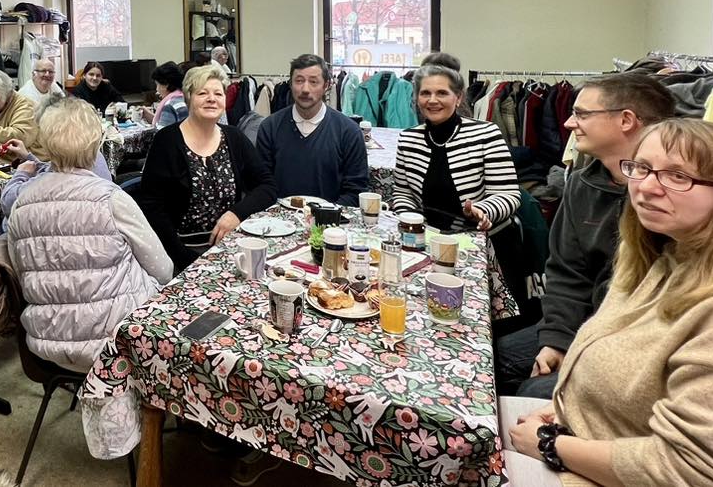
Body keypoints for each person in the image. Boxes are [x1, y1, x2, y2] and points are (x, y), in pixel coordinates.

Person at [507, 119, 713, 486]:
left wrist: (551, 445)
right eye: (641, 168)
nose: (646, 188)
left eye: (678, 176)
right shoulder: (669, 251)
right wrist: (568, 408)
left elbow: (700, 471)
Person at [495, 73, 674, 398]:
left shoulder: (671, 196)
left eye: (581, 114)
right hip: (584, 321)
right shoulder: (581, 183)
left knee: (534, 391)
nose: (567, 123)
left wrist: (584, 349)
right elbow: (567, 272)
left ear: (626, 120)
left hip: (642, 341)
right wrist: (557, 340)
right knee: (497, 358)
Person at [5, 97, 173, 371]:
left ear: (44, 144)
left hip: (48, 342)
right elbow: (163, 269)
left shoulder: (21, 203)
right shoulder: (111, 199)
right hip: (119, 342)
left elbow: (20, 268)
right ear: (96, 144)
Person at [390, 64, 535, 325]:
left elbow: (508, 194)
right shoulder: (408, 139)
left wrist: (483, 211)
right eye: (425, 93)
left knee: (477, 325)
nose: (432, 100)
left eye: (442, 93)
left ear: (458, 98)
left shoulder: (485, 134)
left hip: (484, 247)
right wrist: (411, 220)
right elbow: (402, 191)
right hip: (428, 245)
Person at [137, 64, 276, 270]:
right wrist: (186, 260)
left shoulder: (234, 137)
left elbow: (267, 186)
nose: (212, 99)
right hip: (179, 255)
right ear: (188, 98)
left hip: (230, 251)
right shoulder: (167, 141)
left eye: (218, 93)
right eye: (202, 93)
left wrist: (236, 213)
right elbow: (151, 207)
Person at [256, 53, 370, 206]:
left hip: (332, 218)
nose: (305, 89)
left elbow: (356, 191)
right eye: (299, 81)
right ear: (290, 84)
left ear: (326, 86)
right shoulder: (270, 127)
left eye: (313, 82)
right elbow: (261, 185)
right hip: (279, 217)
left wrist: (323, 214)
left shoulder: (349, 132)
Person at [0, 95, 110, 221]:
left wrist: (21, 174)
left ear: (47, 139)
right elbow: (54, 168)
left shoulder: (39, 187)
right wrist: (28, 157)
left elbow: (8, 203)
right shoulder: (112, 192)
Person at [140, 61, 188, 128]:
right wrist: (149, 115)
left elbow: (162, 132)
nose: (157, 89)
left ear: (166, 85)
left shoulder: (169, 105)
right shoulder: (184, 98)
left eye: (157, 85)